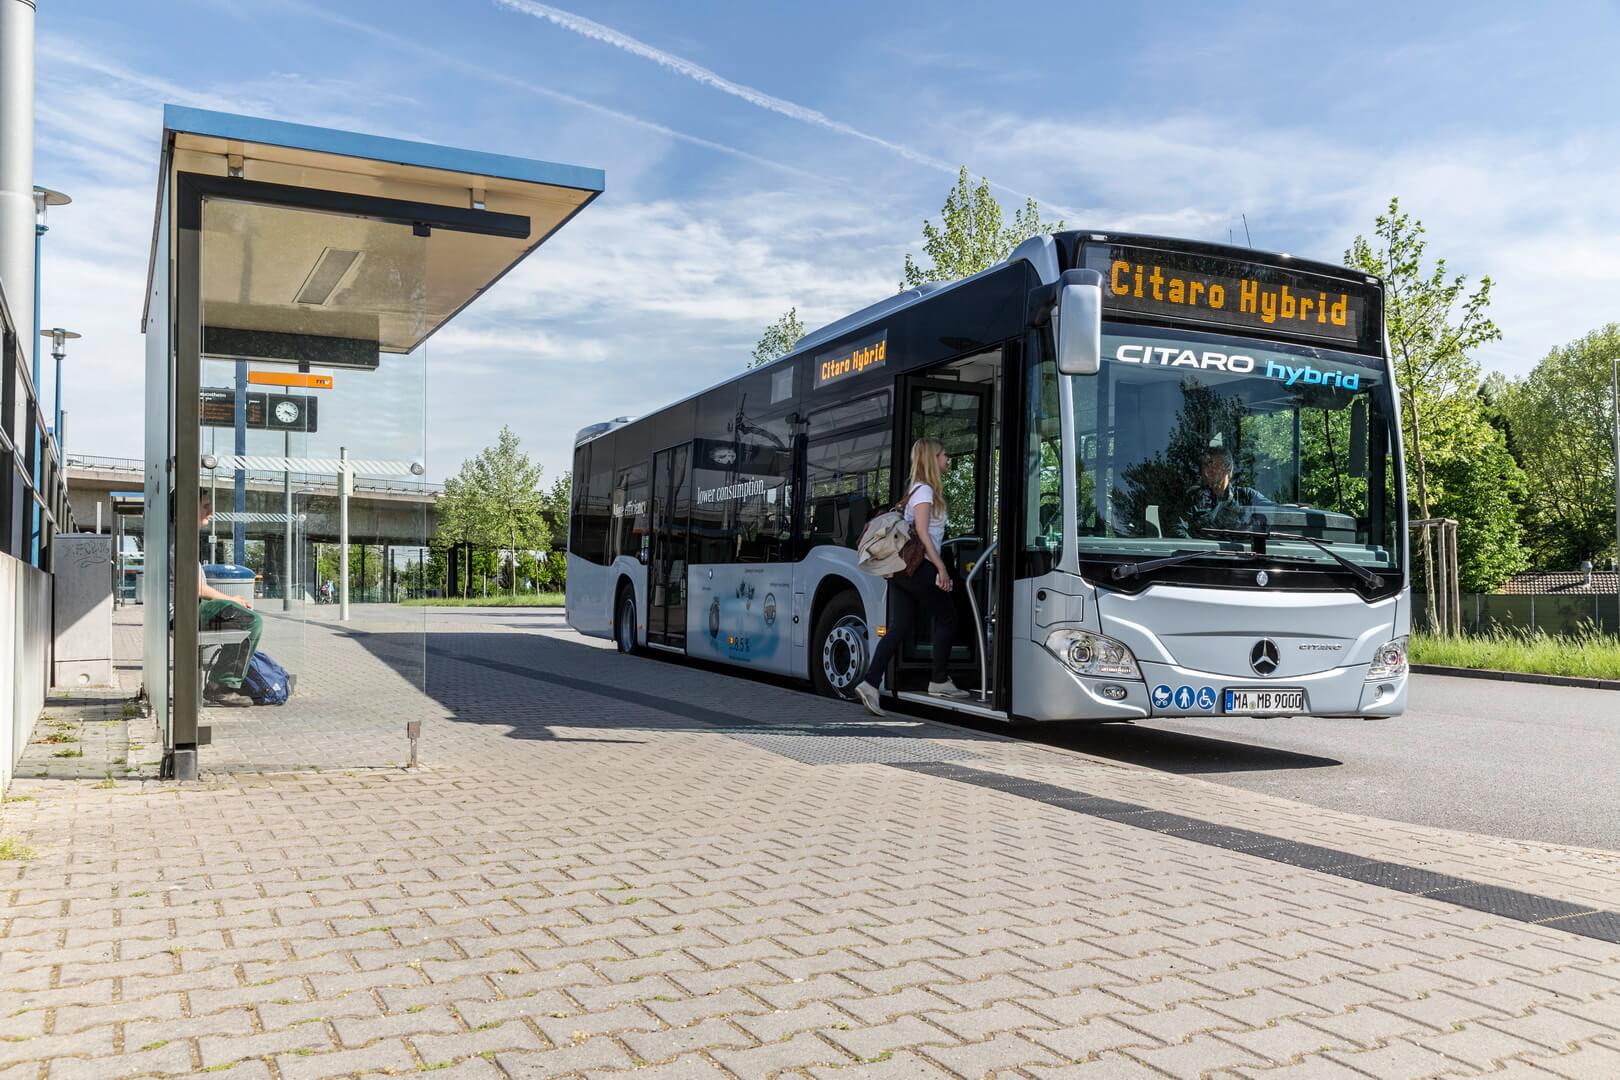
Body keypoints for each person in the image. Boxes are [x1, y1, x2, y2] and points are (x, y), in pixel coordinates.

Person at [854, 438, 970, 717]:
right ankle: (939, 680)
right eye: (943, 455)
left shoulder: (914, 489)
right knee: (948, 617)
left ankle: (870, 683)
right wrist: (941, 568)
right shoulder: (925, 491)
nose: (947, 460)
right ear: (933, 459)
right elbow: (922, 532)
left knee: (900, 627)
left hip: (901, 571)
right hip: (919, 567)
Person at [196, 494, 264, 706]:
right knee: (250, 621)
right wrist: (232, 599)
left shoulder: (178, 538)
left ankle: (223, 682)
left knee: (244, 618)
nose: (210, 511)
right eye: (205, 506)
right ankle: (222, 686)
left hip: (186, 608)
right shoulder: (178, 542)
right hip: (183, 611)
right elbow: (195, 587)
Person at [1179, 444, 1270, 534]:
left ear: (1228, 468)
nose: (1205, 471)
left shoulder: (1247, 496)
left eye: (1211, 464)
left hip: (1238, 548)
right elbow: (1178, 528)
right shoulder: (1195, 497)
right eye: (1204, 466)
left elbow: (1275, 512)